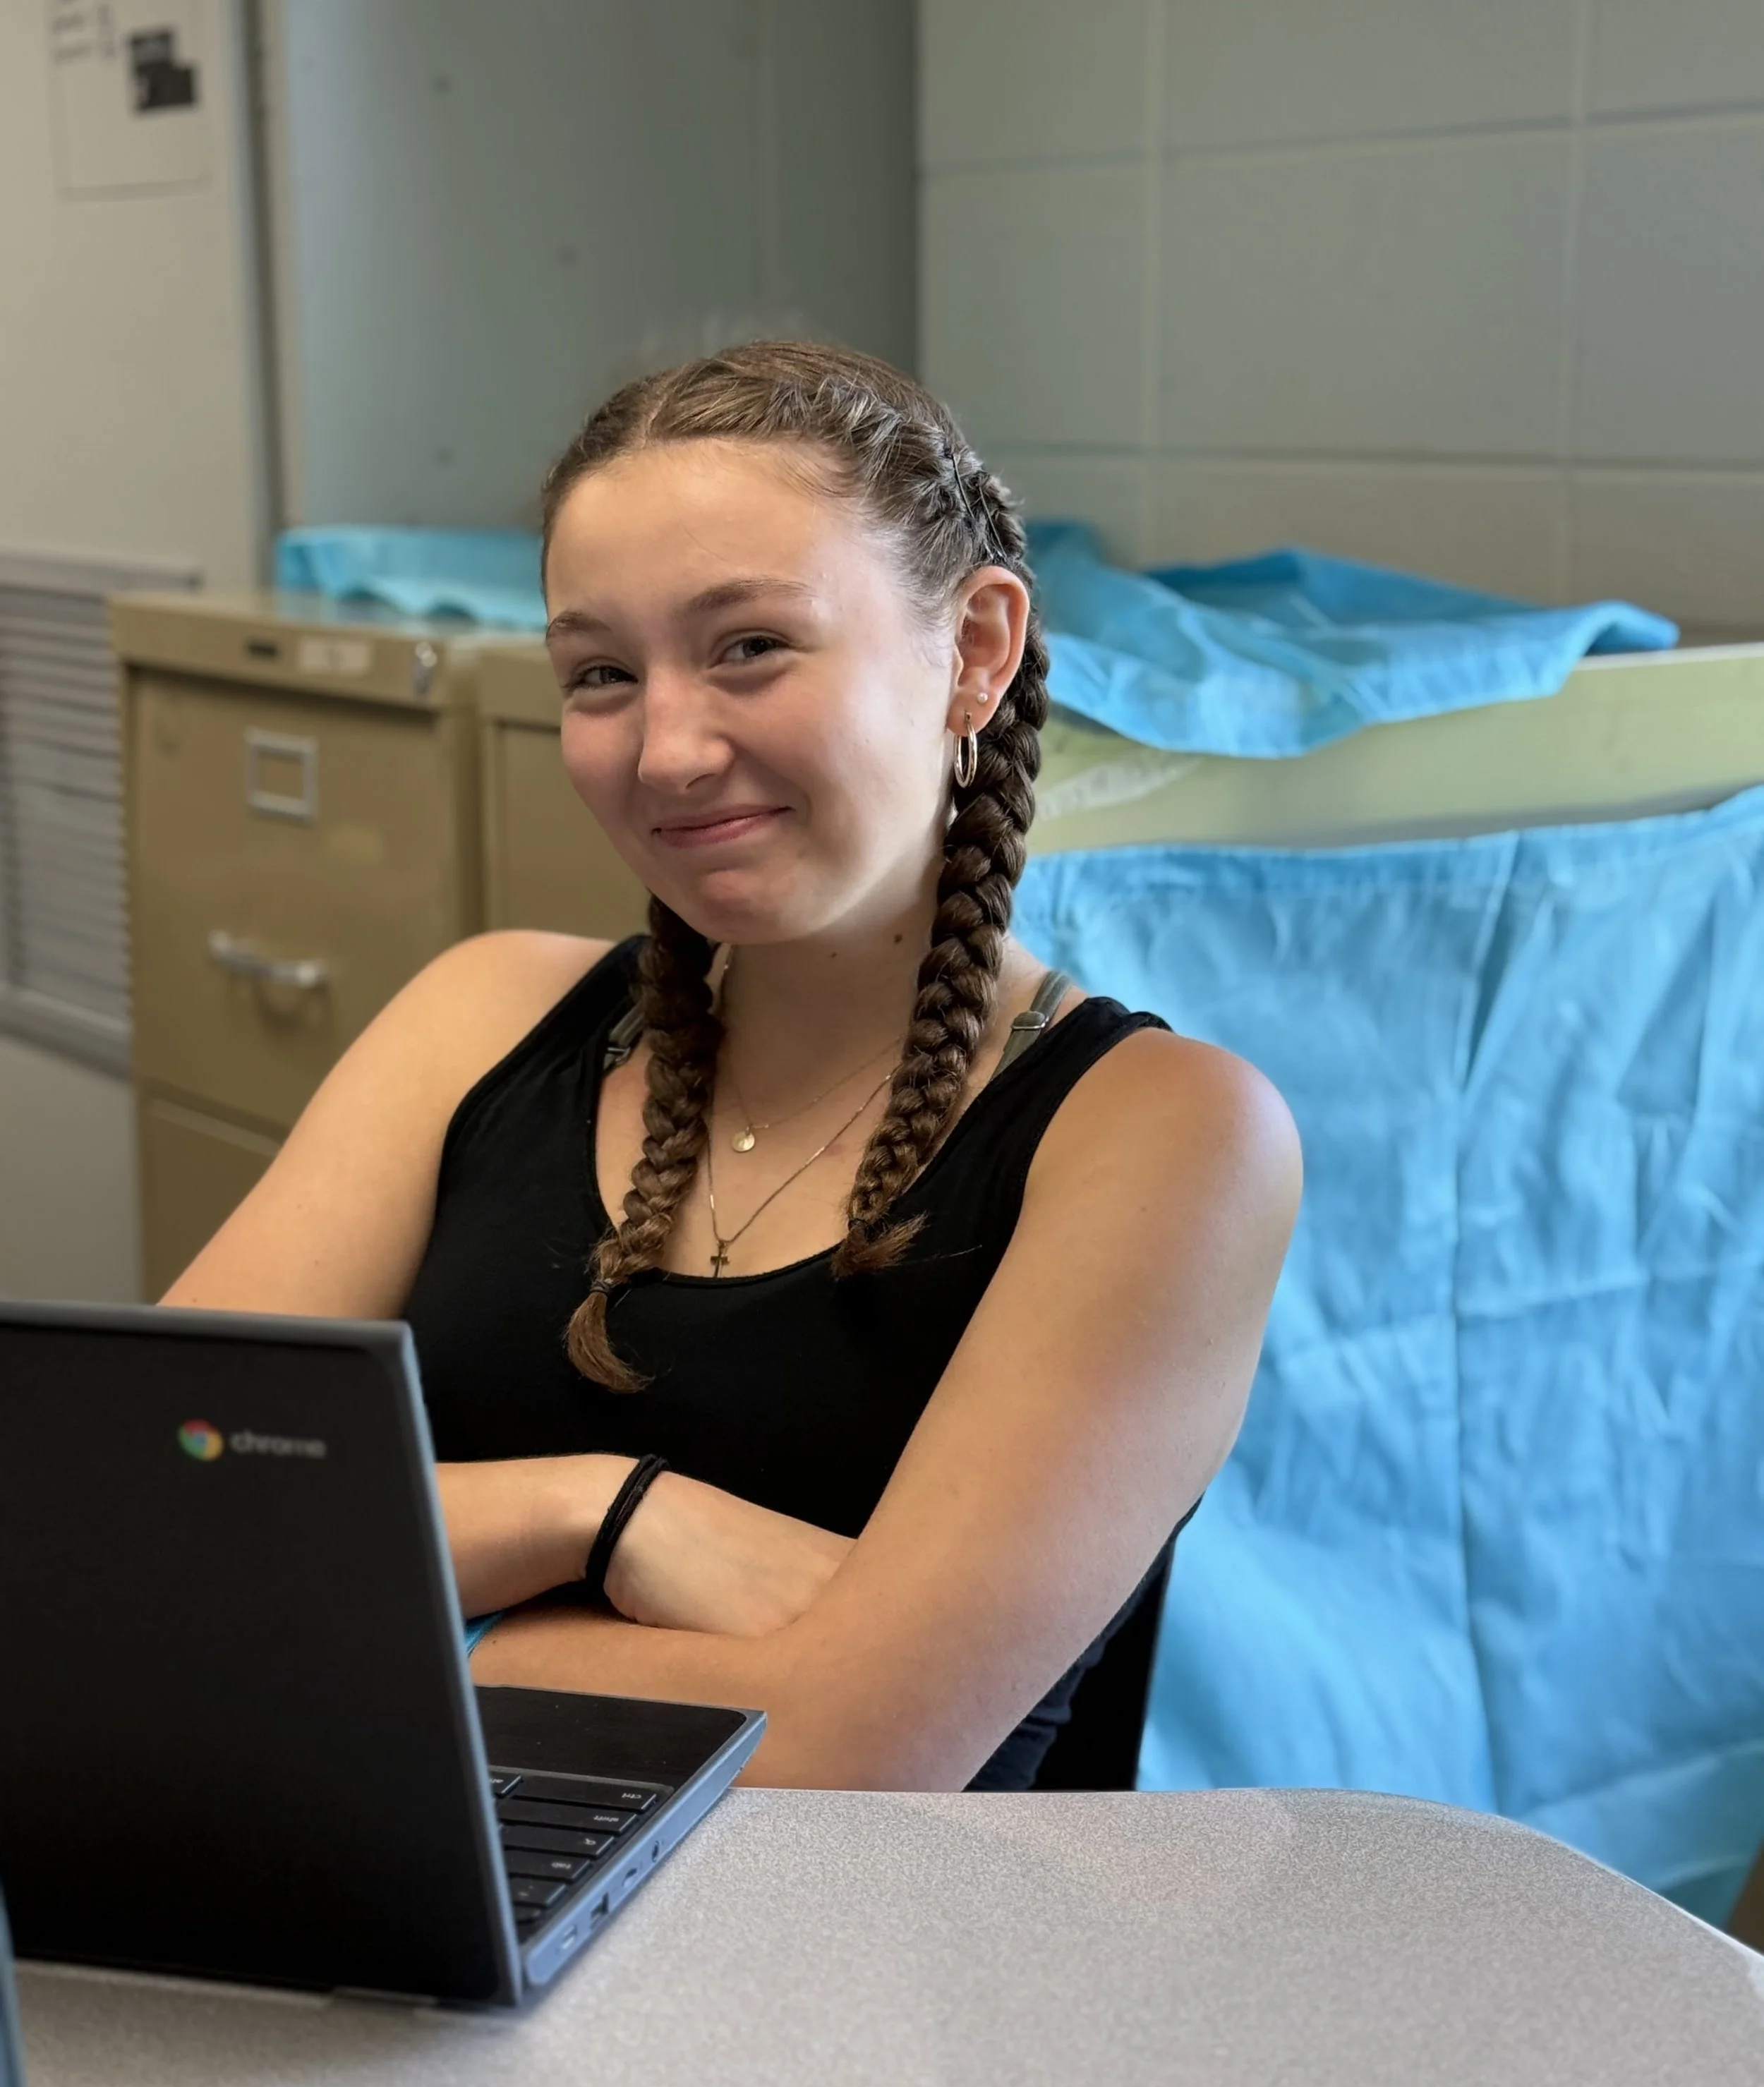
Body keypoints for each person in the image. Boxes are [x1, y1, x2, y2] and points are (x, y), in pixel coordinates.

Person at [166, 341, 1300, 1790]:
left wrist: (349, 1616)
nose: (666, 750)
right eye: (598, 673)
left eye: (749, 645)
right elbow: (155, 1497)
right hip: (412, 1944)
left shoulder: (1159, 1137)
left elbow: (847, 1751)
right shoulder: (478, 1017)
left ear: (972, 651)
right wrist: (597, 1511)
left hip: (881, 1995)